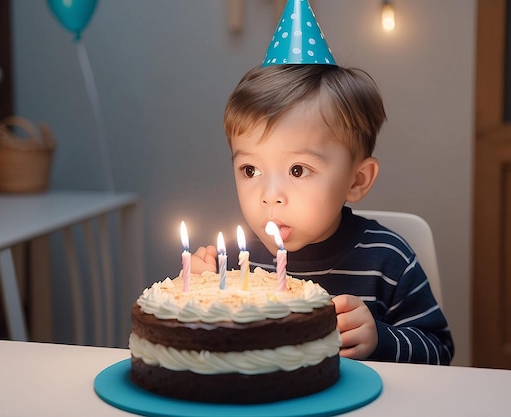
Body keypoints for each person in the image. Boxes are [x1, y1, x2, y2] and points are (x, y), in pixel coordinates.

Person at [190, 63, 454, 365]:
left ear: (356, 180)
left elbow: (439, 351)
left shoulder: (387, 260)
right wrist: (202, 300)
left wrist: (379, 339)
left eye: (298, 170)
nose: (269, 195)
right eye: (250, 170)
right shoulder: (236, 264)